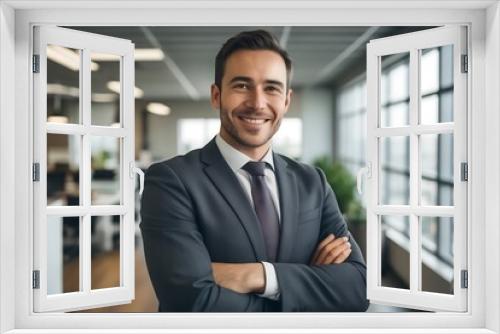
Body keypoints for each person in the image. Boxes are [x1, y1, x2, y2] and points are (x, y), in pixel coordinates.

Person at [140, 29, 369, 312]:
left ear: (286, 100)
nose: (257, 103)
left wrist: (255, 275)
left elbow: (358, 287)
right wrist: (307, 289)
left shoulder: (312, 182)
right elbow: (191, 300)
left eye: (271, 88)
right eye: (242, 85)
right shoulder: (171, 181)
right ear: (216, 95)